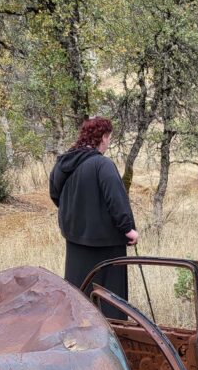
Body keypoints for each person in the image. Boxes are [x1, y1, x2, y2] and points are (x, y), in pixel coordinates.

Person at [49, 117, 138, 317]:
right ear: (104, 137)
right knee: (110, 301)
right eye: (109, 138)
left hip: (75, 241)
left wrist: (74, 214)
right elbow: (116, 200)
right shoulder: (102, 164)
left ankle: (80, 338)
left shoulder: (63, 164)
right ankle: (109, 341)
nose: (108, 143)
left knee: (79, 296)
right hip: (108, 246)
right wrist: (128, 229)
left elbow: (55, 194)